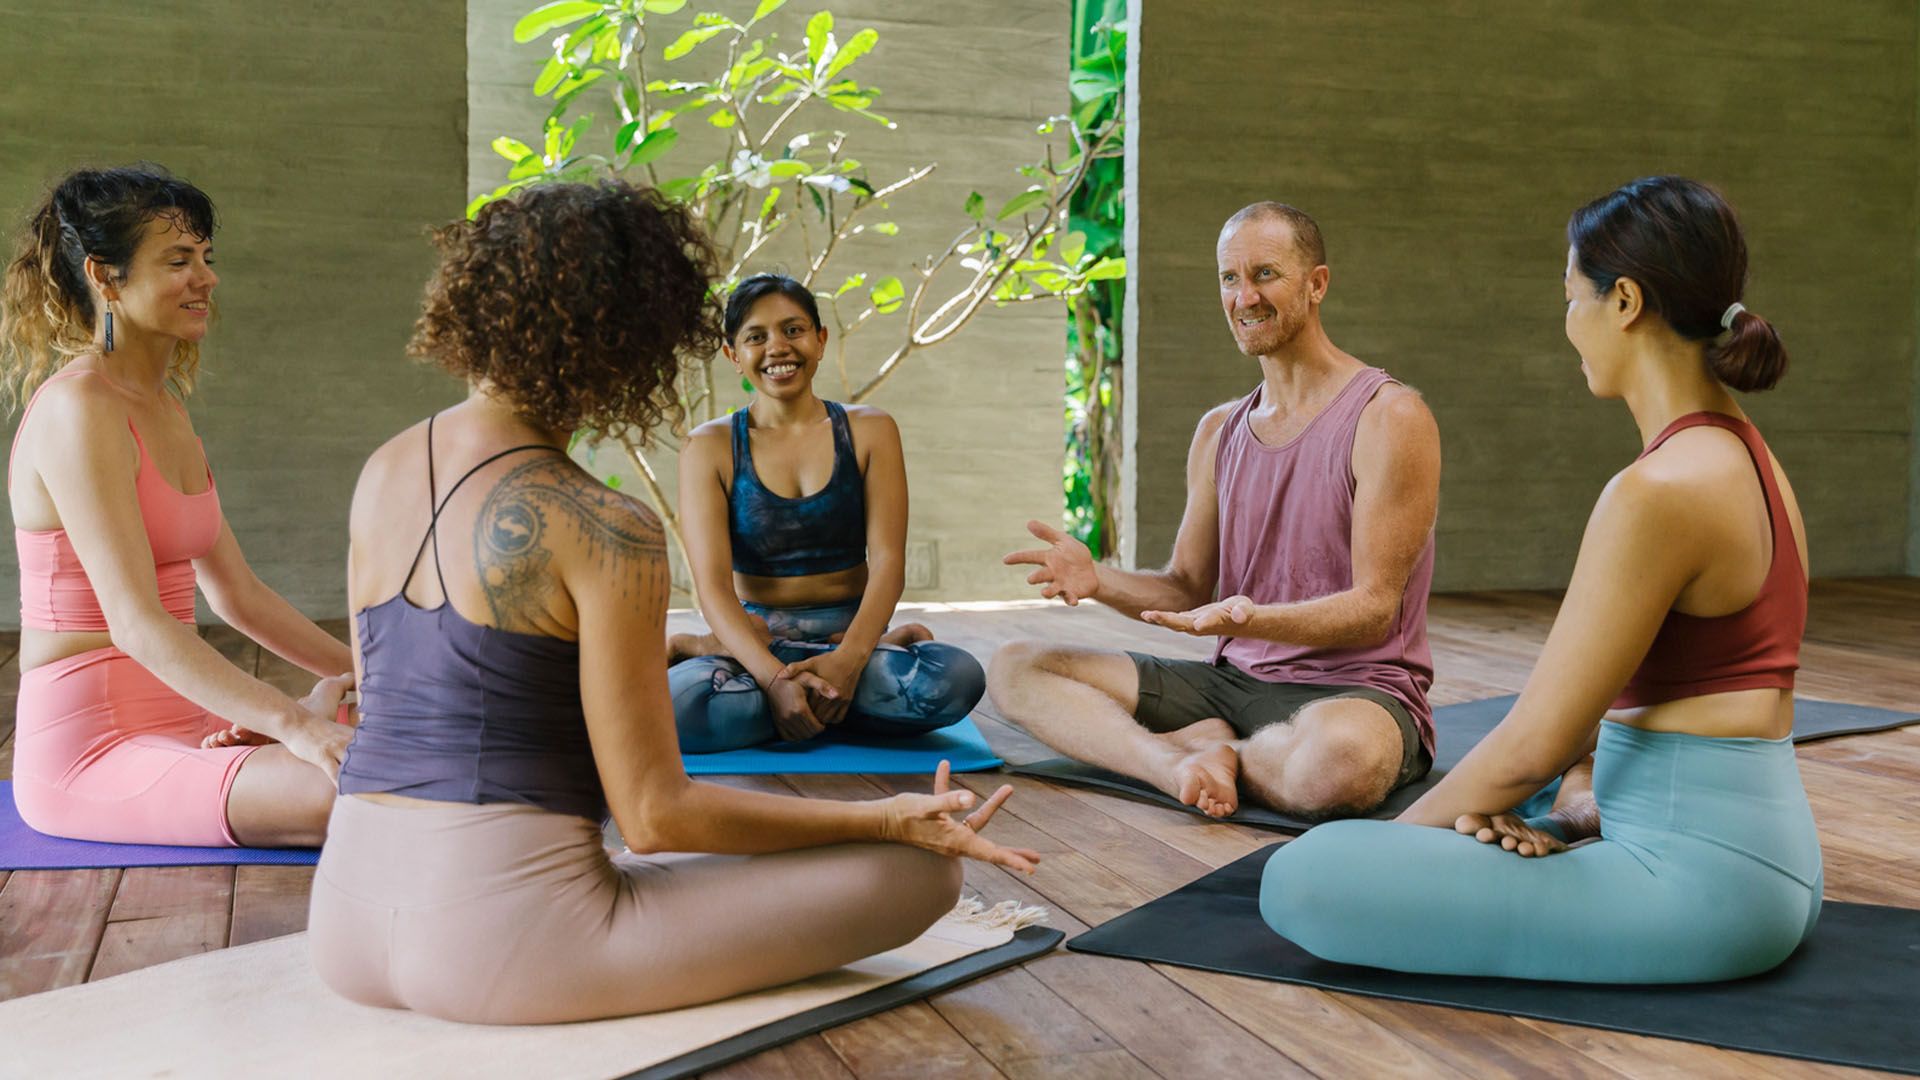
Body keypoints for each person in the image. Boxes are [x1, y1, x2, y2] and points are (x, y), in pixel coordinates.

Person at [308, 182, 1038, 1025]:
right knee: (922, 871)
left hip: (344, 923)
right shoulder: (604, 524)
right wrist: (886, 819)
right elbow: (655, 817)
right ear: (629, 340)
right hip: (505, 951)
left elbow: (420, 696)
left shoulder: (386, 469)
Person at [1261, 176, 1821, 983]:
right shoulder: (1751, 457)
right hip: (1767, 866)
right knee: (1509, 809)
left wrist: (1393, 851)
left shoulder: (1658, 491)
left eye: (1570, 299)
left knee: (1307, 876)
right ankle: (1569, 825)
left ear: (1624, 301)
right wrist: (1572, 812)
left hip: (1699, 894)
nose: (1568, 325)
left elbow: (1535, 745)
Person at [991, 202, 1441, 820]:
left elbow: (1374, 608)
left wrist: (1250, 618)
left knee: (1340, 763)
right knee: (1016, 668)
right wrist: (1098, 581)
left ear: (1316, 285)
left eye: (1265, 274)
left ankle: (1217, 749)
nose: (1244, 297)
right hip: (1230, 682)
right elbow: (1185, 588)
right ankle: (1173, 763)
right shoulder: (1218, 430)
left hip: (1354, 692)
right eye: (1230, 278)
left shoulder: (1389, 417)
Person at [0, 164, 352, 848]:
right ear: (105, 277)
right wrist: (292, 724)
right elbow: (134, 624)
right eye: (178, 261)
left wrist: (378, 682)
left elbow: (239, 595)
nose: (206, 278)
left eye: (206, 258)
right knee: (364, 792)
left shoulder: (164, 409)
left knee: (438, 743)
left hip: (197, 721)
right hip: (95, 749)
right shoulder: (79, 410)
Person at [666, 273, 985, 751]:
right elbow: (712, 586)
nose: (778, 347)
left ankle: (815, 694)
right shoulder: (709, 446)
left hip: (849, 636)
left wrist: (849, 660)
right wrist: (773, 679)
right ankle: (819, 696)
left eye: (793, 330)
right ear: (733, 355)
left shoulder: (871, 430)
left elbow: (888, 563)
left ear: (820, 339)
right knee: (679, 708)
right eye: (756, 337)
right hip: (756, 642)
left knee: (957, 679)